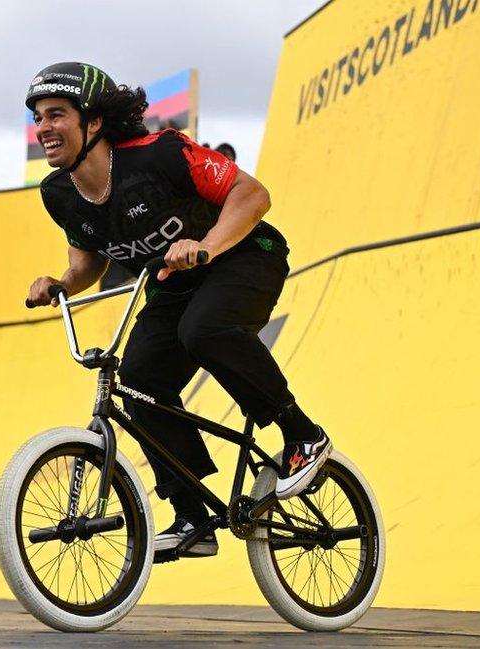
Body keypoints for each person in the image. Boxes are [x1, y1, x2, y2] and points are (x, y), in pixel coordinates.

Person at [25, 62, 331, 558]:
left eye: (56, 114)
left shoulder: (161, 154)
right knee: (141, 384)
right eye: (38, 117)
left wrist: (206, 244)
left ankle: (304, 435)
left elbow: (253, 195)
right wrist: (61, 283)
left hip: (246, 258)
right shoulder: (59, 194)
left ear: (94, 122)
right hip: (172, 282)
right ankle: (193, 514)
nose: (43, 129)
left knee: (204, 330)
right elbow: (88, 261)